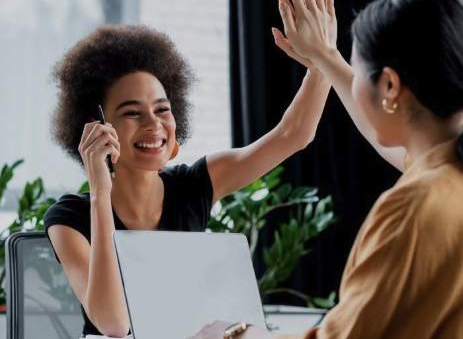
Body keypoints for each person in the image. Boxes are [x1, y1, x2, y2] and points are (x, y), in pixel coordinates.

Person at [190, 0, 463, 339]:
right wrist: (326, 56)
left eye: (356, 68)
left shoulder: (415, 207)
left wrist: (235, 335)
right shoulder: (449, 175)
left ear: (388, 86)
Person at [44, 23, 334, 337]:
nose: (154, 124)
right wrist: (100, 193)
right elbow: (114, 324)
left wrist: (322, 60)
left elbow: (293, 135)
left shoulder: (195, 183)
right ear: (97, 128)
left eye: (162, 109)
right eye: (132, 113)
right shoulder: (68, 219)